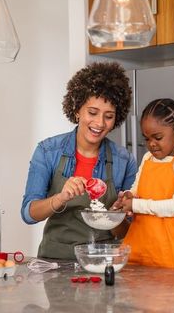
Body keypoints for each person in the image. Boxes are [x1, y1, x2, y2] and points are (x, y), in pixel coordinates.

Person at [21, 62, 137, 260]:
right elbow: (29, 214)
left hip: (104, 261)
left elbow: (126, 232)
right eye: (92, 113)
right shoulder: (48, 151)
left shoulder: (124, 160)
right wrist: (60, 198)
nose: (100, 123)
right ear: (77, 110)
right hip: (56, 261)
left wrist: (115, 216)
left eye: (108, 116)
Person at [111, 98, 174, 269]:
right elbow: (136, 190)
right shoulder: (147, 158)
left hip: (168, 256)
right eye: (146, 138)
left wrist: (135, 204)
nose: (151, 144)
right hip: (135, 250)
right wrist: (128, 198)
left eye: (158, 137)